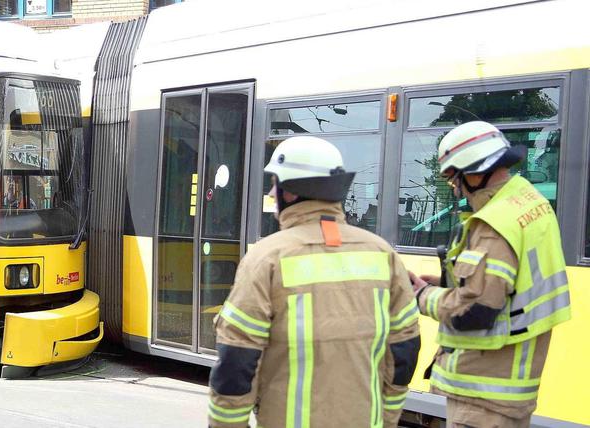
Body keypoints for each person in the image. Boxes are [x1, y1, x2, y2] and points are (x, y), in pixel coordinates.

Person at [209, 136, 421, 428]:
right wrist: (386, 420)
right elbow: (404, 353)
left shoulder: (266, 258)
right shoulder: (383, 254)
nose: (272, 193)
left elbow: (236, 361)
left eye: (276, 184)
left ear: (292, 193)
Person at [408, 121, 571, 428]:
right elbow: (508, 286)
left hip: (482, 392)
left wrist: (421, 296)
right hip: (510, 386)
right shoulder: (528, 202)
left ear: (474, 172)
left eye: (454, 178)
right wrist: (447, 284)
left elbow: (474, 312)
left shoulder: (493, 224)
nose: (455, 188)